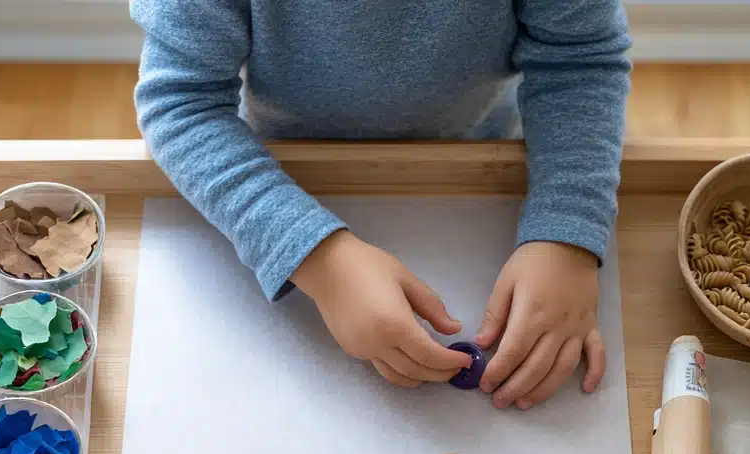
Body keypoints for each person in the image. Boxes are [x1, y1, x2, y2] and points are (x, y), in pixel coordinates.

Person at [131, 1, 631, 410]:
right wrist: (318, 259)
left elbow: (579, 59)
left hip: (473, 158)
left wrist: (567, 230)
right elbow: (182, 101)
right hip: (282, 170)